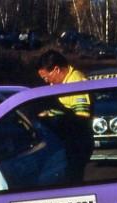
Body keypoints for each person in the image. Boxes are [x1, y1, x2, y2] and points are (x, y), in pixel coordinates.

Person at [35, 49, 93, 183]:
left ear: (56, 69)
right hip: (68, 141)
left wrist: (53, 117)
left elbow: (82, 118)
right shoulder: (64, 83)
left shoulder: (77, 84)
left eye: (46, 77)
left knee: (72, 180)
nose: (47, 82)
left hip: (77, 142)